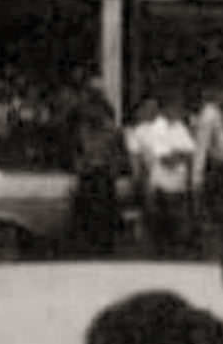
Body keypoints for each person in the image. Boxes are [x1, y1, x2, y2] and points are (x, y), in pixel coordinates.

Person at [135, 94, 197, 258]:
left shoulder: (180, 127)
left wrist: (178, 153)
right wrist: (180, 153)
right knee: (162, 227)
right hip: (162, 184)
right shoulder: (156, 129)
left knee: (178, 229)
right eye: (175, 107)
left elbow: (191, 152)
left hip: (180, 185)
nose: (178, 111)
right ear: (166, 109)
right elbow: (165, 158)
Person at [70, 90, 127, 256]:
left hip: (104, 175)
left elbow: (119, 154)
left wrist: (112, 168)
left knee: (105, 212)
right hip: (87, 175)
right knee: (85, 211)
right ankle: (87, 244)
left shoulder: (113, 131)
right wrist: (80, 165)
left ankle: (105, 245)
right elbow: (76, 152)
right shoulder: (82, 131)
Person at [191, 84, 223, 257]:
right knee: (215, 213)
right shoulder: (209, 115)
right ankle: (212, 251)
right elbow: (202, 146)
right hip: (215, 169)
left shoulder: (219, 113)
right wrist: (197, 177)